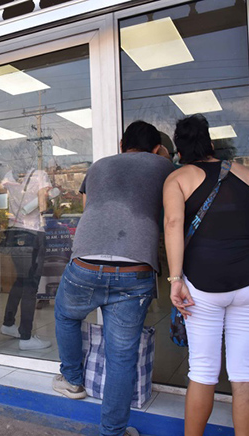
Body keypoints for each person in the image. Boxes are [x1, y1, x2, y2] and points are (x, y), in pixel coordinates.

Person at [162, 114, 249, 436]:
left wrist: (175, 279)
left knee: (204, 370)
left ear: (179, 149)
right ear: (210, 143)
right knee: (246, 371)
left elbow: (173, 225)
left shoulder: (177, 180)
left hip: (203, 285)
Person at [53, 121, 173, 436]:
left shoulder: (99, 166)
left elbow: (86, 208)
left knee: (66, 315)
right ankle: (112, 431)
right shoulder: (164, 165)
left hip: (86, 263)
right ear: (157, 148)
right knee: (121, 355)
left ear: (122, 144)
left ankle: (73, 380)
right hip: (135, 269)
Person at [0, 166, 52, 350]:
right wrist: (51, 197)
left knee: (20, 281)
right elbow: (43, 206)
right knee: (30, 285)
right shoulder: (40, 175)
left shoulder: (8, 175)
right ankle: (26, 337)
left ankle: (8, 323)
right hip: (33, 232)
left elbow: (3, 198)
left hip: (13, 231)